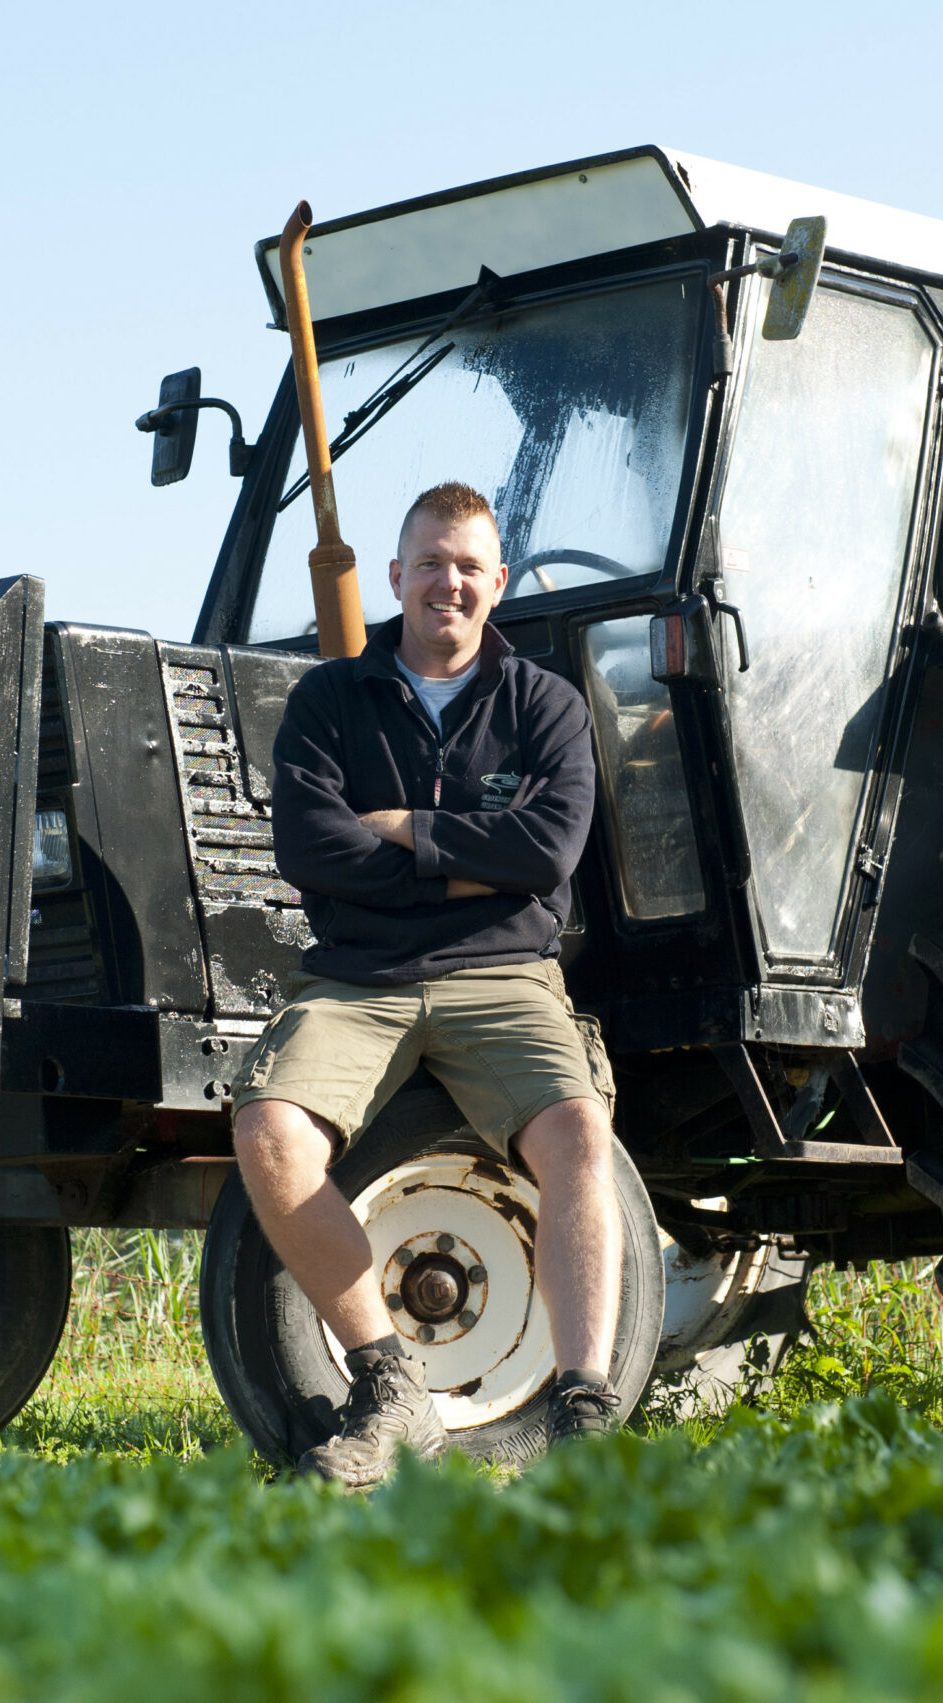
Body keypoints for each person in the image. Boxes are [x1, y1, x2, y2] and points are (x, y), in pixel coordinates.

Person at [230, 479, 620, 1489]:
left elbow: (547, 850)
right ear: (394, 576)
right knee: (269, 1129)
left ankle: (583, 1407)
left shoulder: (546, 705)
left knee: (577, 1131)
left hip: (504, 970)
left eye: (467, 565)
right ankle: (391, 1387)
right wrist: (463, 861)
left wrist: (403, 829)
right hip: (358, 973)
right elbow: (312, 851)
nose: (447, 581)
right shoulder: (328, 700)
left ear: (496, 582)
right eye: (428, 562)